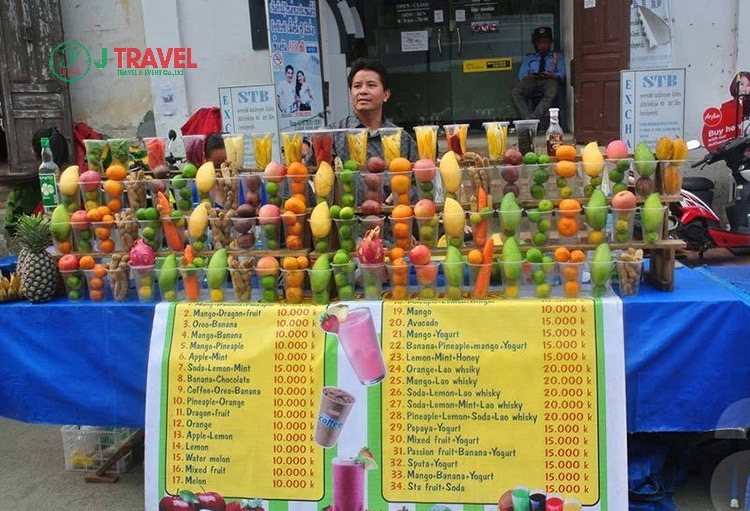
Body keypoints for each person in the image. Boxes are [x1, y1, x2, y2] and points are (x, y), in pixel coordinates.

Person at [329, 58, 417, 162]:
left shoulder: (402, 139)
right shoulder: (332, 136)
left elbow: (420, 170)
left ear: (386, 95)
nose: (363, 91)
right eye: (357, 86)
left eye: (371, 85)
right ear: (351, 95)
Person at [2, 127, 69, 237]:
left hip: (40, 246)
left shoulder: (21, 190)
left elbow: (10, 227)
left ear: (35, 154)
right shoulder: (79, 183)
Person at [511, 27, 566, 121]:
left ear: (550, 42)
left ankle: (535, 117)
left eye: (545, 42)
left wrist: (552, 75)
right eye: (539, 42)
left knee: (553, 90)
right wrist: (530, 76)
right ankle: (527, 118)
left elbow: (562, 73)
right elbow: (522, 75)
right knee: (516, 91)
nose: (542, 45)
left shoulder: (557, 56)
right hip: (532, 81)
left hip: (549, 81)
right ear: (536, 44)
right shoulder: (530, 58)